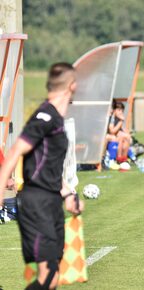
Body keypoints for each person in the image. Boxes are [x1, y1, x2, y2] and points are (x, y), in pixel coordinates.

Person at [0, 62, 84, 290]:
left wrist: (68, 194)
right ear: (72, 86)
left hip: (51, 201)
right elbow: (13, 154)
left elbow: (47, 167)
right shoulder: (45, 117)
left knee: (53, 276)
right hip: (36, 203)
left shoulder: (55, 118)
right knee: (47, 276)